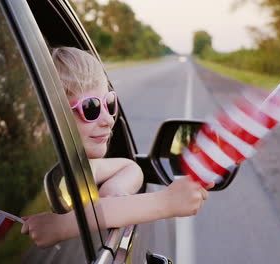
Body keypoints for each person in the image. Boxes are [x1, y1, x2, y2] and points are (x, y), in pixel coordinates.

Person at [21, 46, 214, 248]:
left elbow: (129, 167)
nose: (108, 119)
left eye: (110, 103)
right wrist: (166, 202)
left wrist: (114, 191)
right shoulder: (42, 172)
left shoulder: (82, 165)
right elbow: (93, 215)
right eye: (91, 108)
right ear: (48, 119)